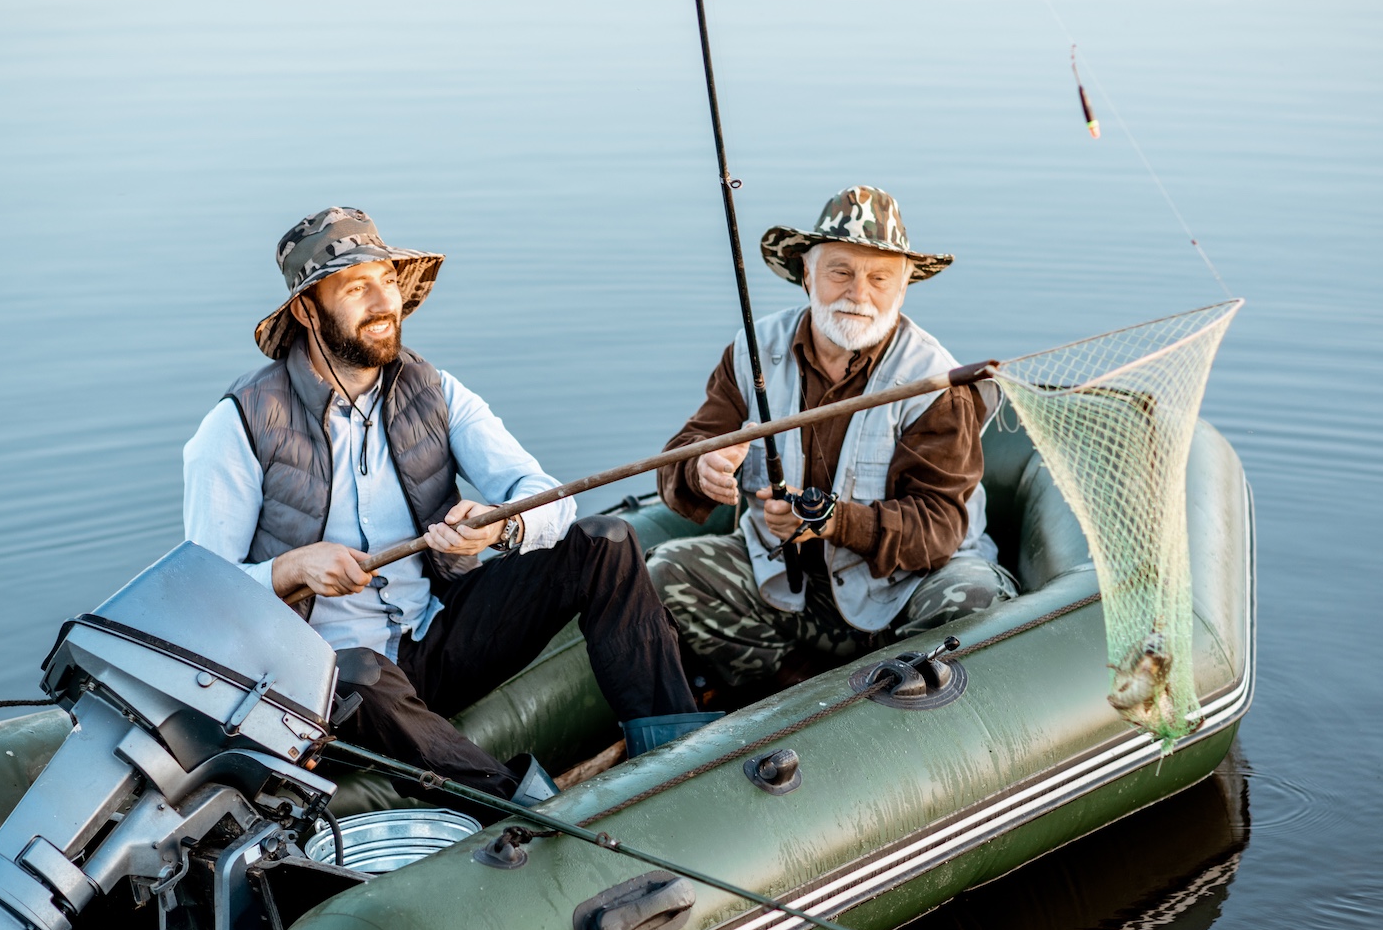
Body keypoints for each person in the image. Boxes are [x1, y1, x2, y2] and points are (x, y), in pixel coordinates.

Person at [183, 207, 701, 802]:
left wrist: (496, 531)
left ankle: (678, 755)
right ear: (306, 309)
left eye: (389, 280)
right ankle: (526, 807)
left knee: (605, 543)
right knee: (355, 671)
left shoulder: (436, 391)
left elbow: (544, 496)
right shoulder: (237, 426)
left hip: (432, 639)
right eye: (357, 287)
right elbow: (202, 606)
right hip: (325, 683)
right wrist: (291, 570)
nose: (385, 303)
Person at [649, 186, 1016, 695]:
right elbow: (684, 453)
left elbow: (940, 529)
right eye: (840, 271)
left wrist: (831, 520)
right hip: (787, 588)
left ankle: (895, 699)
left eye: (879, 277)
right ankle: (793, 690)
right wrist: (699, 468)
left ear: (903, 288)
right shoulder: (752, 352)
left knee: (971, 597)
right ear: (807, 274)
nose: (858, 293)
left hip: (903, 594)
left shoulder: (934, 382)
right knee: (667, 571)